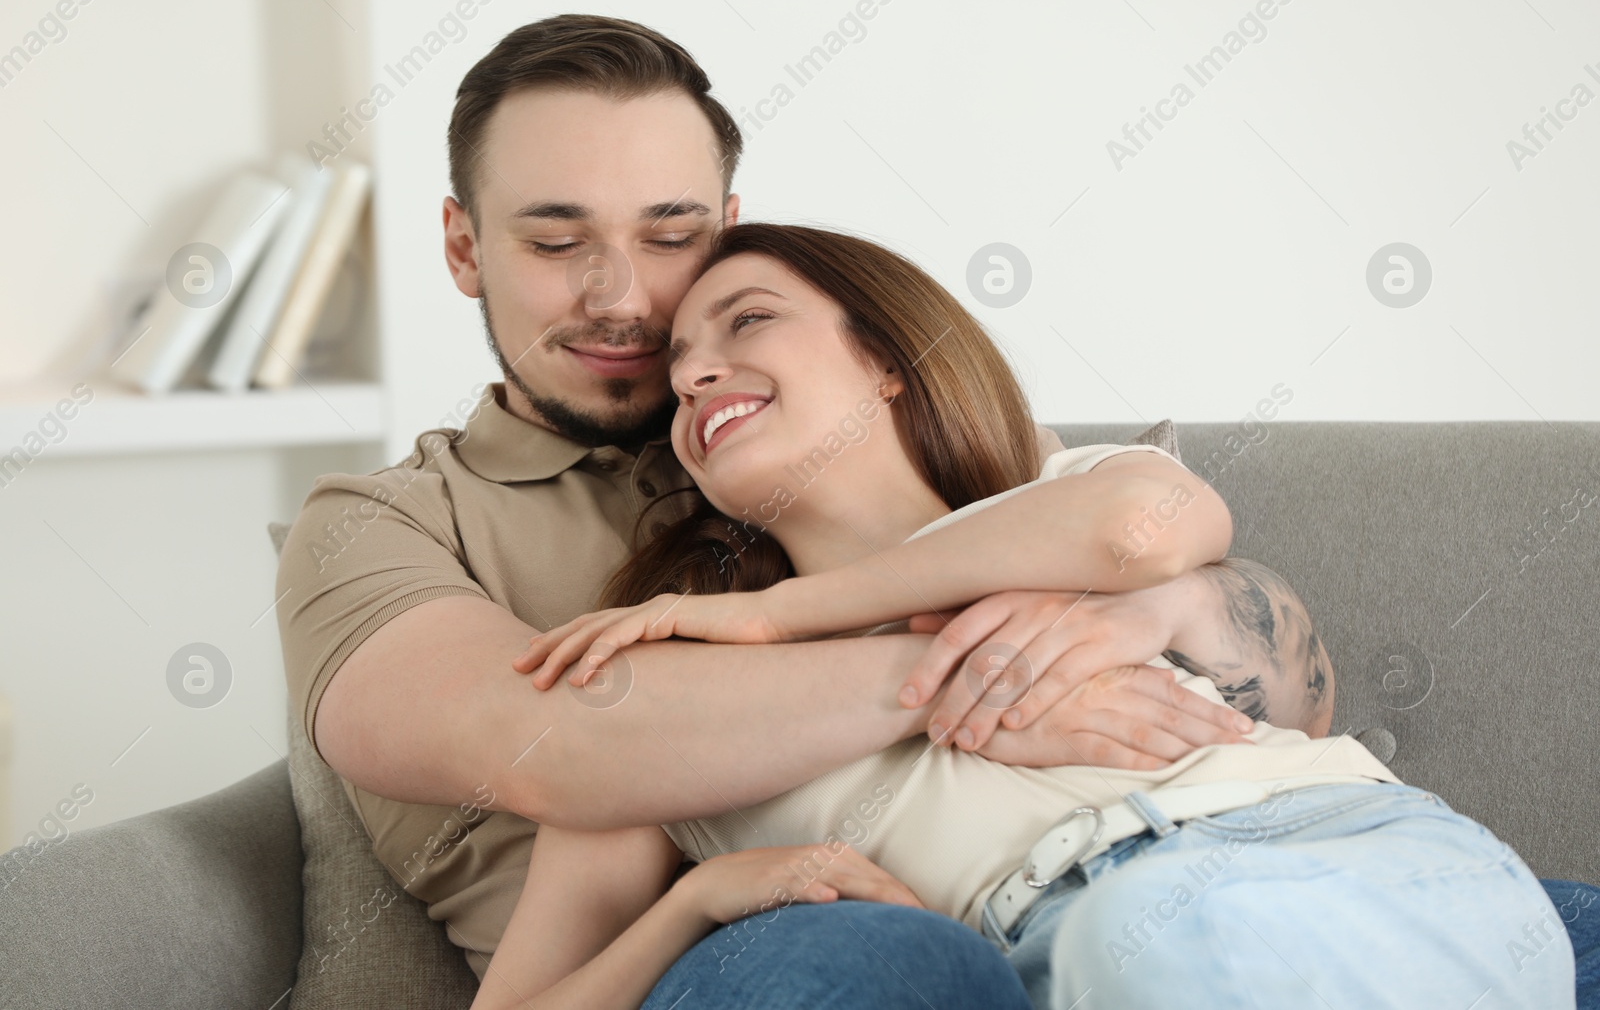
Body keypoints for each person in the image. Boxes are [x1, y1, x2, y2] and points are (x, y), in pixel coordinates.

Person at [273, 14, 1597, 1002]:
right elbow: (561, 746)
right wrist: (965, 667)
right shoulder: (393, 523)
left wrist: (1167, 607)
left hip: (1287, 849)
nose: (632, 298)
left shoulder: (957, 472)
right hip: (821, 931)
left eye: (677, 237)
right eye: (556, 240)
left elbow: (1194, 603)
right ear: (463, 244)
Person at [479, 222, 1575, 1010]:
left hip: (1331, 845)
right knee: (1143, 944)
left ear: (889, 358)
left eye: (746, 320)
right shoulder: (660, 665)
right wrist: (699, 899)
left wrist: (787, 615)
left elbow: (1146, 530)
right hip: (1048, 944)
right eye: (675, 378)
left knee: (1194, 936)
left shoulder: (1067, 492)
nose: (698, 371)